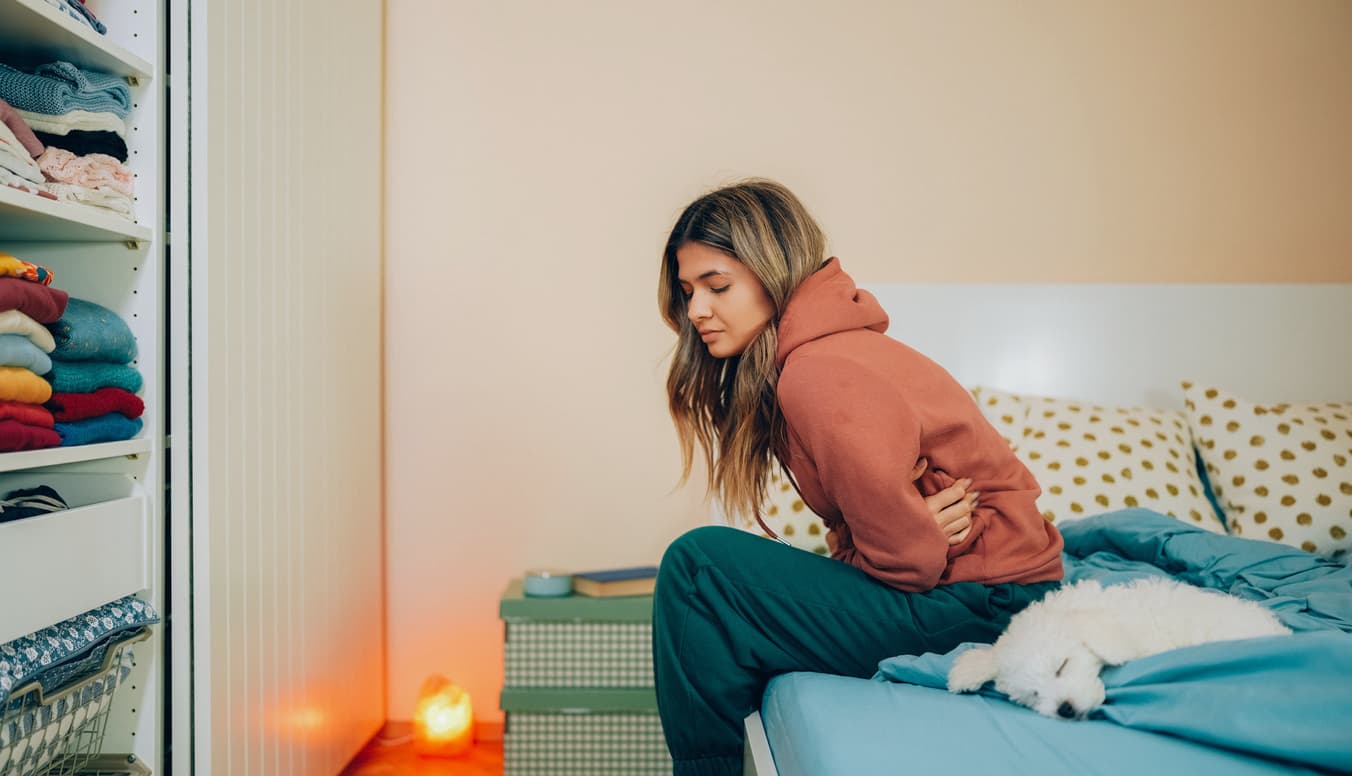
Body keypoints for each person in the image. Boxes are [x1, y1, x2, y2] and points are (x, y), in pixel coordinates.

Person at [653, 179, 1064, 776]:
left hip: (987, 600)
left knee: (698, 572)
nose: (696, 311)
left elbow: (905, 563)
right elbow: (889, 543)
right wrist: (898, 537)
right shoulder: (827, 355)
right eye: (688, 291)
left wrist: (906, 538)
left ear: (775, 272)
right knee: (716, 582)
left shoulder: (818, 372)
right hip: (991, 589)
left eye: (717, 286)